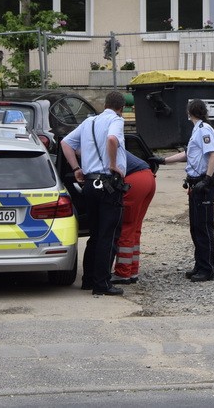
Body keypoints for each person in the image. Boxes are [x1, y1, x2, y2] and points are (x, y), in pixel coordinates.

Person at [60, 91, 128, 296]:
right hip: (108, 184)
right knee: (109, 234)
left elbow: (65, 143)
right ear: (121, 108)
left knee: (95, 234)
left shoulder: (89, 122)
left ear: (105, 104)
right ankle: (102, 283)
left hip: (89, 184)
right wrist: (114, 164)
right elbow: (112, 139)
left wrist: (76, 169)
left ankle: (88, 279)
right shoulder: (116, 120)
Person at [160, 99, 214, 282]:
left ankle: (207, 269)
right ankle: (200, 264)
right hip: (195, 183)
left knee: (203, 228)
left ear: (189, 113)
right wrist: (163, 161)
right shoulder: (197, 130)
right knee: (195, 227)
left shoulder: (204, 131)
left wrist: (207, 179)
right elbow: (189, 154)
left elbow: (213, 155)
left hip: (203, 183)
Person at [109, 151, 156, 286]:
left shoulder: (96, 146)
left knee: (126, 228)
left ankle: (123, 273)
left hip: (134, 181)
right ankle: (132, 271)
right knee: (135, 228)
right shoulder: (109, 142)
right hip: (148, 177)